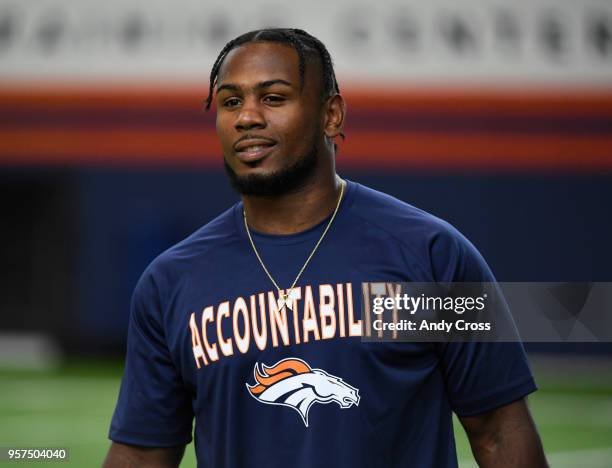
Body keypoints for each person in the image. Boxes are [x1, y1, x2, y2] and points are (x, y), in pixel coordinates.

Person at [104, 28, 548, 468]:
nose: (247, 118)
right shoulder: (172, 280)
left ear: (331, 115)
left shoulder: (430, 255)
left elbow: (498, 431)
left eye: (273, 98)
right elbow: (142, 454)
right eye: (231, 101)